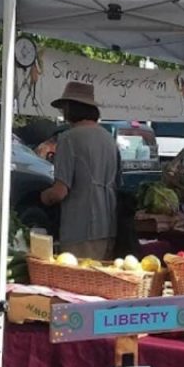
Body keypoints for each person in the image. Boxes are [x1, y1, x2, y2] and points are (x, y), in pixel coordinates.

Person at [40, 82, 120, 260]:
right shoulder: (108, 139)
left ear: (70, 108)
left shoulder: (69, 138)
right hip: (109, 226)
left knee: (78, 283)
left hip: (81, 228)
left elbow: (60, 192)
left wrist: (43, 197)